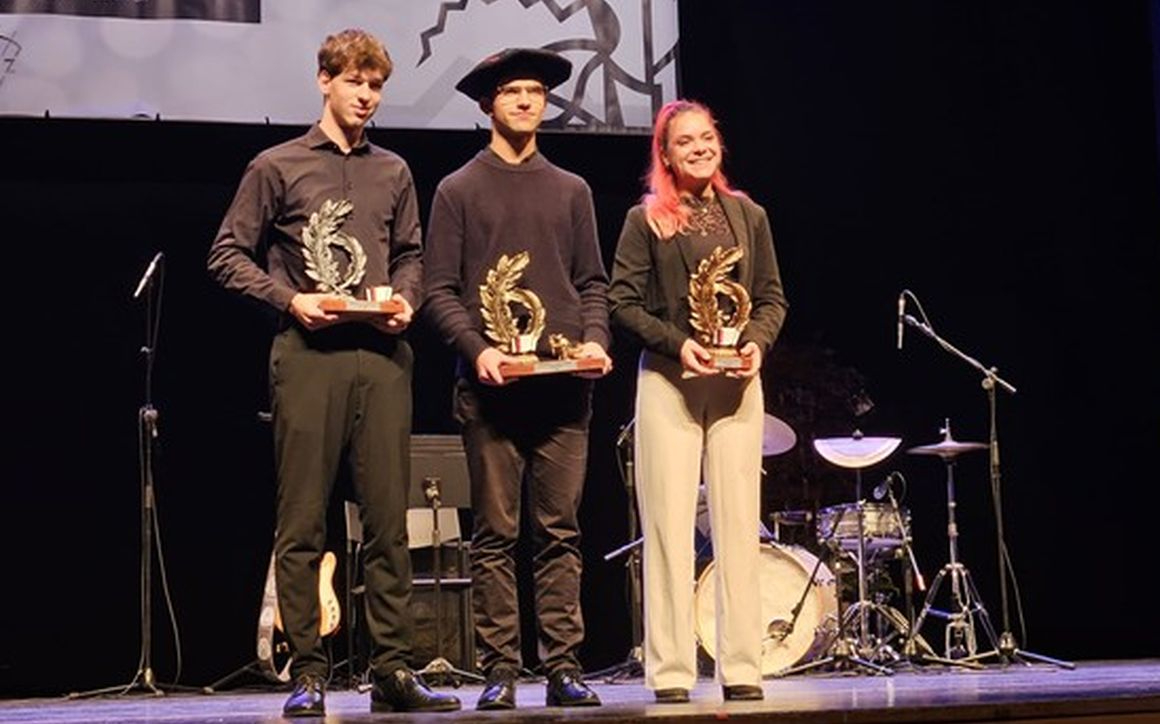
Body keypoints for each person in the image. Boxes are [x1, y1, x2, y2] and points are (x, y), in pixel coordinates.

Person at [206, 28, 460, 716]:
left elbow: (410, 252)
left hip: (381, 358)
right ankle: (309, 674)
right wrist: (291, 299)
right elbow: (226, 254)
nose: (366, 96)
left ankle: (393, 672)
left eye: (375, 85)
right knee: (303, 519)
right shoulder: (277, 164)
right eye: (355, 82)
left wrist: (405, 296)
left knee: (386, 520)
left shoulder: (395, 171)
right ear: (325, 81)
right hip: (309, 356)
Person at [422, 47, 612, 710]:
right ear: (487, 105)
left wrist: (595, 339)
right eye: (512, 92)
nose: (527, 101)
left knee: (560, 531)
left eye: (535, 91)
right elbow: (438, 290)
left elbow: (592, 283)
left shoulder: (571, 190)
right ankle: (502, 667)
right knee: (496, 535)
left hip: (564, 390)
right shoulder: (457, 190)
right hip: (491, 393)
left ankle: (562, 664)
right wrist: (476, 349)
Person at [607, 99, 788, 703]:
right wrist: (680, 345)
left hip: (737, 381)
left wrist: (757, 345)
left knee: (739, 526)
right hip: (669, 380)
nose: (699, 149)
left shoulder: (747, 214)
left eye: (707, 137)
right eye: (685, 142)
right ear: (665, 153)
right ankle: (672, 673)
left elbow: (770, 300)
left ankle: (741, 666)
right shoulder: (647, 220)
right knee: (668, 529)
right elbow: (622, 304)